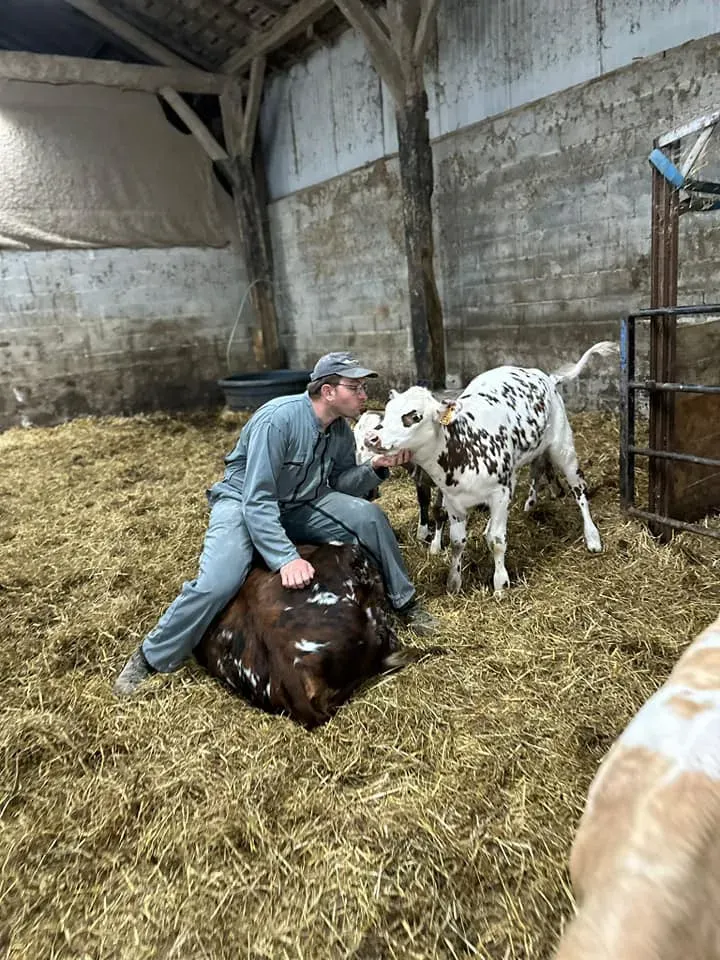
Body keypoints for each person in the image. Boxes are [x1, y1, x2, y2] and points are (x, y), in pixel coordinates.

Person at [114, 351, 440, 697]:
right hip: (242, 503)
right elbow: (257, 499)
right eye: (355, 388)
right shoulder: (277, 420)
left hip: (301, 501)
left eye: (363, 388)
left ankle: (405, 602)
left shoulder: (339, 431)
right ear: (328, 391)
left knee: (369, 517)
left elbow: (341, 484)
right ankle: (151, 657)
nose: (363, 396)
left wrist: (375, 467)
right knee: (217, 582)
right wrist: (285, 558)